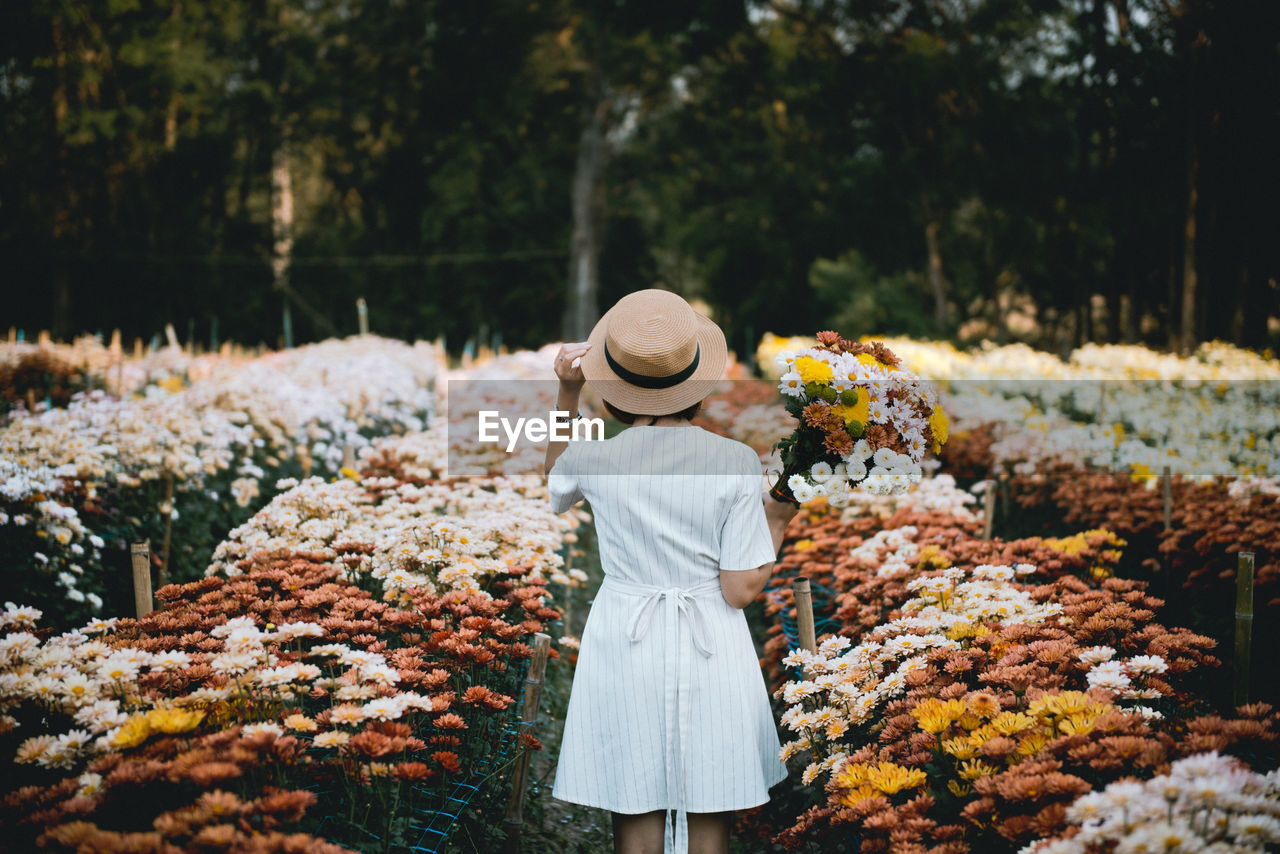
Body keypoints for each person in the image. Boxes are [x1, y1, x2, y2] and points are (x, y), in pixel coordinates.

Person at [543, 289, 800, 854]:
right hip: (710, 637)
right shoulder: (733, 462)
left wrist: (568, 391)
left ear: (617, 383)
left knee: (634, 807)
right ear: (694, 381)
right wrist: (776, 520)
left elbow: (555, 485)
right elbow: (740, 590)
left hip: (624, 632)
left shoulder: (596, 459)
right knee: (710, 801)